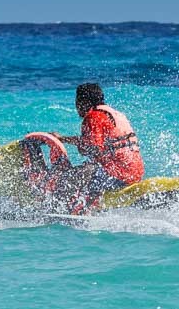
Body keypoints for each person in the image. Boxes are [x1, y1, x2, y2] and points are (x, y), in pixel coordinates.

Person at [52, 83, 144, 212]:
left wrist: (65, 140)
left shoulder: (94, 116)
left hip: (118, 173)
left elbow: (93, 148)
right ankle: (90, 208)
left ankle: (73, 212)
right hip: (135, 171)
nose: (76, 107)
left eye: (77, 102)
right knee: (88, 169)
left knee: (69, 177)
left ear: (83, 102)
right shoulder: (115, 114)